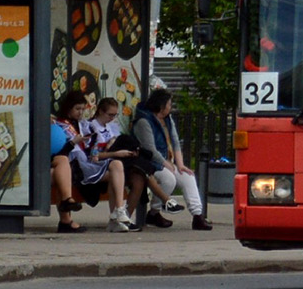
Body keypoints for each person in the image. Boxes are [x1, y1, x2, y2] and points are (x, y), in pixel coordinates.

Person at [81, 97, 182, 216]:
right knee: (129, 145)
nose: (112, 118)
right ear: (100, 111)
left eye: (115, 115)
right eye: (110, 115)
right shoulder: (91, 127)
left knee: (139, 178)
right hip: (104, 163)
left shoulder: (112, 126)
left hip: (120, 161)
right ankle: (166, 200)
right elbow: (92, 156)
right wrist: (115, 153)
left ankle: (125, 218)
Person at [53, 90, 136, 232]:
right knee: (115, 171)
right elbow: (59, 152)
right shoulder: (60, 125)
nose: (80, 112)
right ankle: (115, 218)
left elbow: (92, 150)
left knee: (117, 165)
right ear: (68, 108)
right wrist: (74, 142)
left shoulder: (84, 125)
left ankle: (119, 211)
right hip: (75, 167)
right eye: (77, 109)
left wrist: (95, 145)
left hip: (88, 163)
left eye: (82, 109)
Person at [134, 89, 212, 231]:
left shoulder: (167, 120)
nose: (170, 107)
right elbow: (150, 149)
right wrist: (165, 163)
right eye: (169, 104)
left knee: (188, 177)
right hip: (150, 163)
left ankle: (198, 216)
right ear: (161, 105)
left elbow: (175, 142)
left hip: (166, 161)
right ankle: (154, 212)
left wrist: (180, 164)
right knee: (169, 179)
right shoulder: (144, 122)